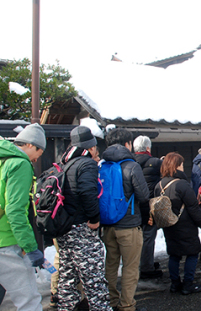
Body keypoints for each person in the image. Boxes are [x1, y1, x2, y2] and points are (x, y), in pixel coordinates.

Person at [56, 126, 112, 311]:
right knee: (94, 280)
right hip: (81, 228)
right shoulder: (86, 164)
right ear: (92, 147)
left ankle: (67, 307)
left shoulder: (66, 163)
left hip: (66, 228)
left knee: (68, 277)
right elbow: (88, 192)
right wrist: (94, 219)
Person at [101, 128, 149, 311]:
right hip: (129, 225)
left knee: (111, 264)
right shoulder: (132, 166)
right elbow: (143, 195)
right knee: (130, 267)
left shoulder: (101, 165)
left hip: (108, 225)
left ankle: (111, 301)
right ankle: (127, 305)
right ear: (127, 144)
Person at [0, 123, 45, 311]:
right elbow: (15, 210)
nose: (36, 160)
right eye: (39, 154)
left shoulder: (3, 160)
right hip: (7, 241)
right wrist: (30, 246)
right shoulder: (20, 164)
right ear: (31, 146)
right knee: (29, 301)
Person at [154, 152, 201, 295]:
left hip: (168, 224)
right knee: (192, 253)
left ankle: (175, 284)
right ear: (176, 166)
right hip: (185, 226)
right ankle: (188, 284)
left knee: (174, 255)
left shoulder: (159, 185)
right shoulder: (182, 184)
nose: (183, 167)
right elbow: (193, 208)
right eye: (182, 164)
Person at [133, 136, 163, 280]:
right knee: (148, 237)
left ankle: (143, 264)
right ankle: (146, 268)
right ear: (148, 148)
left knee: (137, 238)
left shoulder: (130, 162)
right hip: (150, 206)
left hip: (133, 206)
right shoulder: (155, 162)